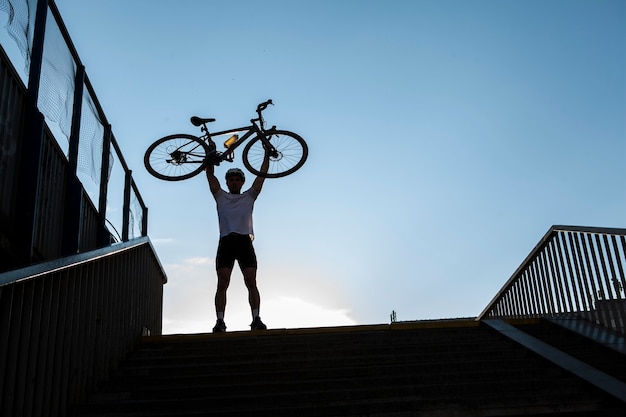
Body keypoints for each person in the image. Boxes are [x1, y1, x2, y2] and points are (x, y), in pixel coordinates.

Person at [205, 151, 270, 333]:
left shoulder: (249, 196)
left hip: (244, 241)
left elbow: (262, 175)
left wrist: (266, 154)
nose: (234, 182)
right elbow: (209, 175)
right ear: (227, 182)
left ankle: (256, 318)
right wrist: (209, 153)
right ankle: (220, 321)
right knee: (222, 283)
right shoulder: (220, 195)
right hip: (226, 241)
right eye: (231, 179)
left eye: (237, 179)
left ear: (242, 182)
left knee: (251, 281)